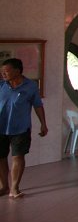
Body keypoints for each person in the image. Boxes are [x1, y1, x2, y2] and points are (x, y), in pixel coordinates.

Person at [0, 58, 47, 198]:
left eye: (6, 71)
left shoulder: (31, 86)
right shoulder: (2, 85)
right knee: (1, 157)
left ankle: (14, 188)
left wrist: (43, 124)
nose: (3, 74)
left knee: (18, 156)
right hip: (1, 128)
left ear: (17, 70)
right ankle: (4, 186)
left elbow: (38, 105)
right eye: (2, 71)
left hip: (21, 128)